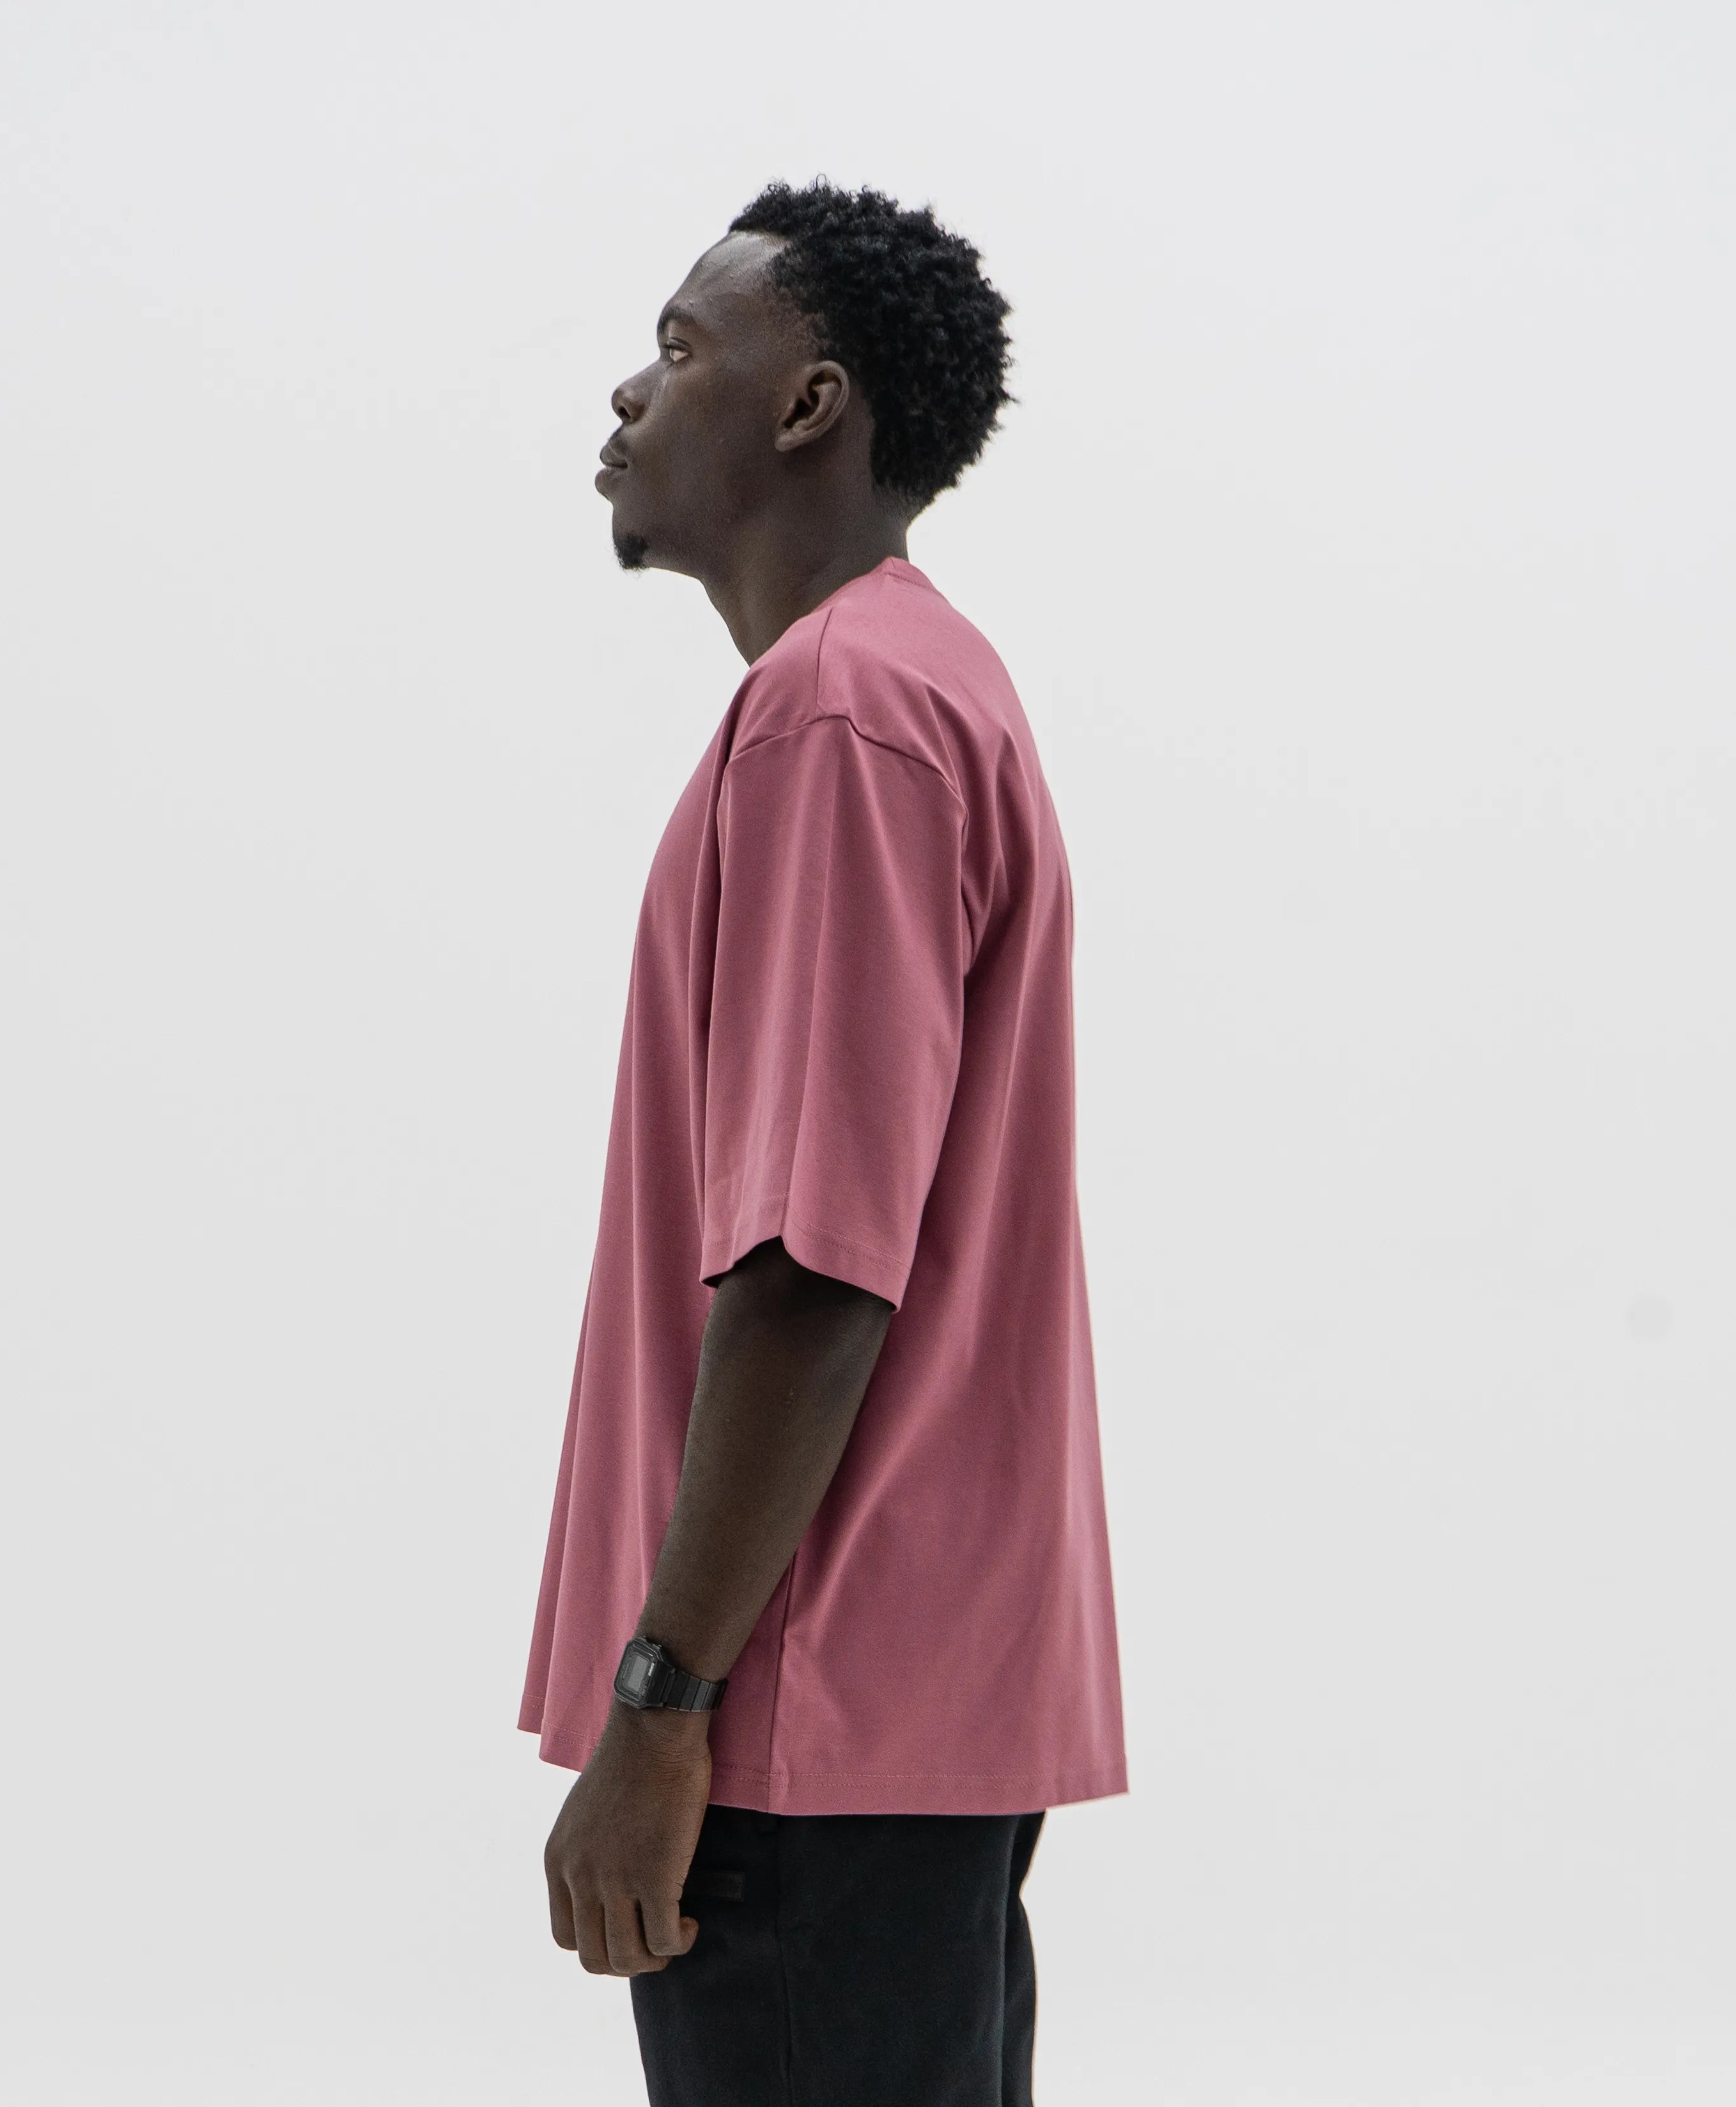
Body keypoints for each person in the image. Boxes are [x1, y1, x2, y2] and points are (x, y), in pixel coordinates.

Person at [520, 180, 1125, 2107]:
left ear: (811, 409)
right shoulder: (919, 684)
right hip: (891, 1719)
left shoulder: (838, 720)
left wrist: (661, 1704)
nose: (628, 391)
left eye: (685, 348)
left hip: (799, 1721)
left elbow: (810, 1268)